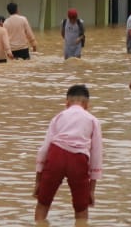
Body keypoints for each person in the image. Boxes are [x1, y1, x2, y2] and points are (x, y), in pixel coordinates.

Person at [33, 84, 103, 222]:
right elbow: (96, 154)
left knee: (43, 204)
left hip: (56, 155)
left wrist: (38, 181)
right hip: (78, 159)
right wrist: (91, 190)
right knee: (81, 210)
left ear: (67, 103)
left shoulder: (58, 117)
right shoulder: (92, 120)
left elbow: (44, 148)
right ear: (87, 104)